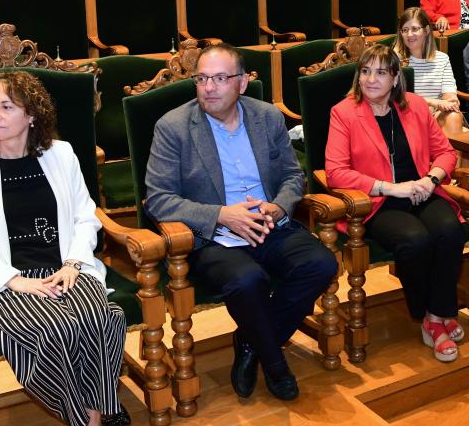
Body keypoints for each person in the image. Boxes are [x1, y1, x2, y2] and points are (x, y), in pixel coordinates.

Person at [145, 43, 338, 401]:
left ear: (242, 83)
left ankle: (250, 341)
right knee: (248, 280)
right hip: (215, 237)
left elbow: (293, 176)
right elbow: (158, 199)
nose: (209, 87)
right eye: (202, 79)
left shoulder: (267, 117)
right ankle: (276, 365)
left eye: (220, 78)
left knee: (321, 264)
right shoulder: (173, 128)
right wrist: (221, 214)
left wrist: (279, 208)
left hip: (269, 225)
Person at [0, 71, 127, 426]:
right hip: (5, 277)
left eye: (6, 106)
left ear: (32, 114)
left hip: (66, 266)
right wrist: (14, 281)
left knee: (101, 318)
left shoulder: (60, 154)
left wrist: (73, 264)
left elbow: (85, 215)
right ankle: (91, 410)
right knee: (54, 330)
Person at [325, 44, 466, 363]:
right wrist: (391, 188)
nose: (371, 79)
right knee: (415, 241)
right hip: (376, 203)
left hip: (422, 190)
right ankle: (429, 315)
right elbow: (335, 172)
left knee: (450, 232)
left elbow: (445, 153)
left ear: (395, 78)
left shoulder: (414, 106)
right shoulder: (344, 113)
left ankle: (437, 313)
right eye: (365, 71)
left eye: (380, 72)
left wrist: (431, 179)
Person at [392, 7, 465, 134]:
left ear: (426, 31)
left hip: (436, 116)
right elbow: (398, 97)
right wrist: (435, 102)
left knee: (453, 116)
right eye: (405, 30)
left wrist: (451, 100)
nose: (409, 35)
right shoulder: (395, 60)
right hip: (407, 116)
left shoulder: (442, 59)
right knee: (459, 131)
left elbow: (449, 94)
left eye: (415, 29)